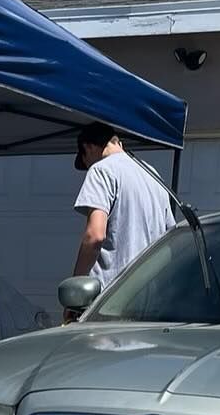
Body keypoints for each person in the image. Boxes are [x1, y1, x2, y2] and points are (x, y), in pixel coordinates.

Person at [68, 122, 178, 316]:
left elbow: (95, 236)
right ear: (118, 142)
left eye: (85, 162)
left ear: (88, 147)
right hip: (151, 300)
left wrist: (75, 293)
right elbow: (170, 241)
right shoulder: (153, 175)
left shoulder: (101, 170)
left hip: (111, 302)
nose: (88, 167)